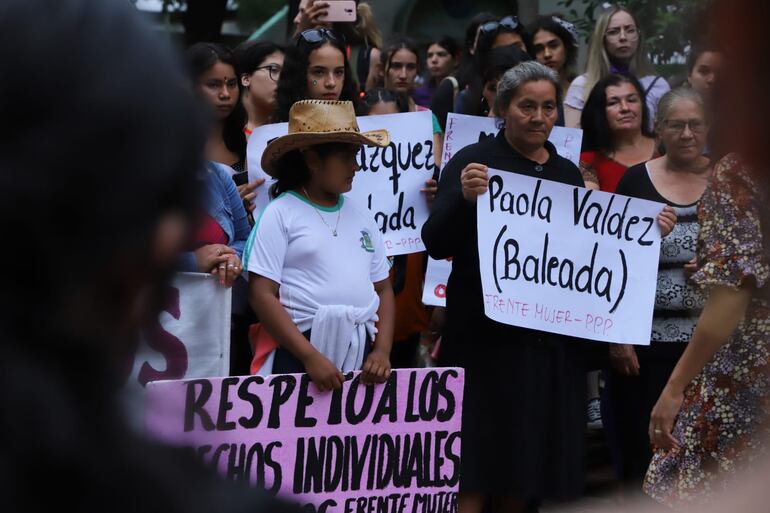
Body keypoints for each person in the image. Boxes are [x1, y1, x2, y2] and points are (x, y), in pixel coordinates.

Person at [0, 0, 300, 511]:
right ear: (156, 248)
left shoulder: (222, 180)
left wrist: (228, 257)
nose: (225, 93)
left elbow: (246, 241)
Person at [246, 100, 394, 390]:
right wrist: (309, 356)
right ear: (312, 159)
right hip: (297, 352)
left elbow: (384, 288)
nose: (356, 166)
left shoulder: (362, 215)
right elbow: (261, 293)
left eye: (357, 155)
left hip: (360, 354)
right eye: (346, 157)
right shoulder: (280, 213)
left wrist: (382, 350)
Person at [605, 88, 711, 488]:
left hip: (709, 348)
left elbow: (752, 259)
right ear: (660, 131)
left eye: (695, 124)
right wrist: (618, 339)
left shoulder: (728, 181)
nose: (686, 133)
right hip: (644, 349)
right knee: (645, 455)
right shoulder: (636, 180)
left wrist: (716, 267)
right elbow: (609, 264)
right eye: (676, 125)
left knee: (703, 459)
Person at [564, 5, 670, 129]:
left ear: (639, 36)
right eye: (613, 32)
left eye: (630, 30)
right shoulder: (582, 85)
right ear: (602, 39)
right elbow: (571, 142)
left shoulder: (657, 86)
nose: (623, 37)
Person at [579, 74, 658, 192]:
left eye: (631, 100)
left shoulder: (666, 147)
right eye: (613, 102)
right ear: (599, 112)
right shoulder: (587, 161)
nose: (625, 108)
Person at [273, 28, 359, 123]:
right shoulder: (276, 131)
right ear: (299, 75)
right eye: (319, 72)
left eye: (339, 72)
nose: (331, 83)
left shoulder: (363, 126)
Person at [430, 12, 497, 131]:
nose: (493, 46)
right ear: (471, 47)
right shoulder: (452, 87)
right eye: (485, 39)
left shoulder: (516, 83)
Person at [187, 42, 248, 173]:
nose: (225, 94)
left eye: (232, 84)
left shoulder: (246, 144)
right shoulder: (170, 145)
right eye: (213, 85)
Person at [526, 16, 580, 126]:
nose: (547, 54)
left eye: (553, 45)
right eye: (539, 49)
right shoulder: (525, 92)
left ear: (566, 47)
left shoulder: (581, 89)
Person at [459, 44, 531, 118]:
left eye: (511, 88)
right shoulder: (467, 110)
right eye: (493, 88)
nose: (500, 97)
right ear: (483, 90)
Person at [234, 41, 285, 137]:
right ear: (245, 78)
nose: (283, 80)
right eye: (273, 70)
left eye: (287, 74)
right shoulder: (217, 130)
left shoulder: (291, 134)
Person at [413, 36, 460, 108]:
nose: (434, 60)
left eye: (441, 54)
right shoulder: (419, 94)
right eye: (429, 55)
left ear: (456, 60)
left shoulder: (464, 92)